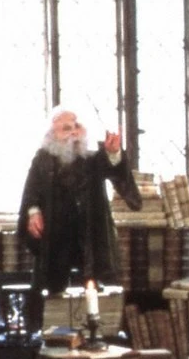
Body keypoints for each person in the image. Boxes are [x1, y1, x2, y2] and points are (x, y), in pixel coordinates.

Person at [17, 107, 142, 295]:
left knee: (93, 293)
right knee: (51, 293)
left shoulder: (92, 159)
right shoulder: (42, 160)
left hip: (88, 233)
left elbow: (115, 171)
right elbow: (31, 192)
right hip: (55, 234)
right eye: (66, 129)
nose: (73, 133)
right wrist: (33, 213)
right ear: (52, 135)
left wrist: (114, 153)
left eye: (77, 127)